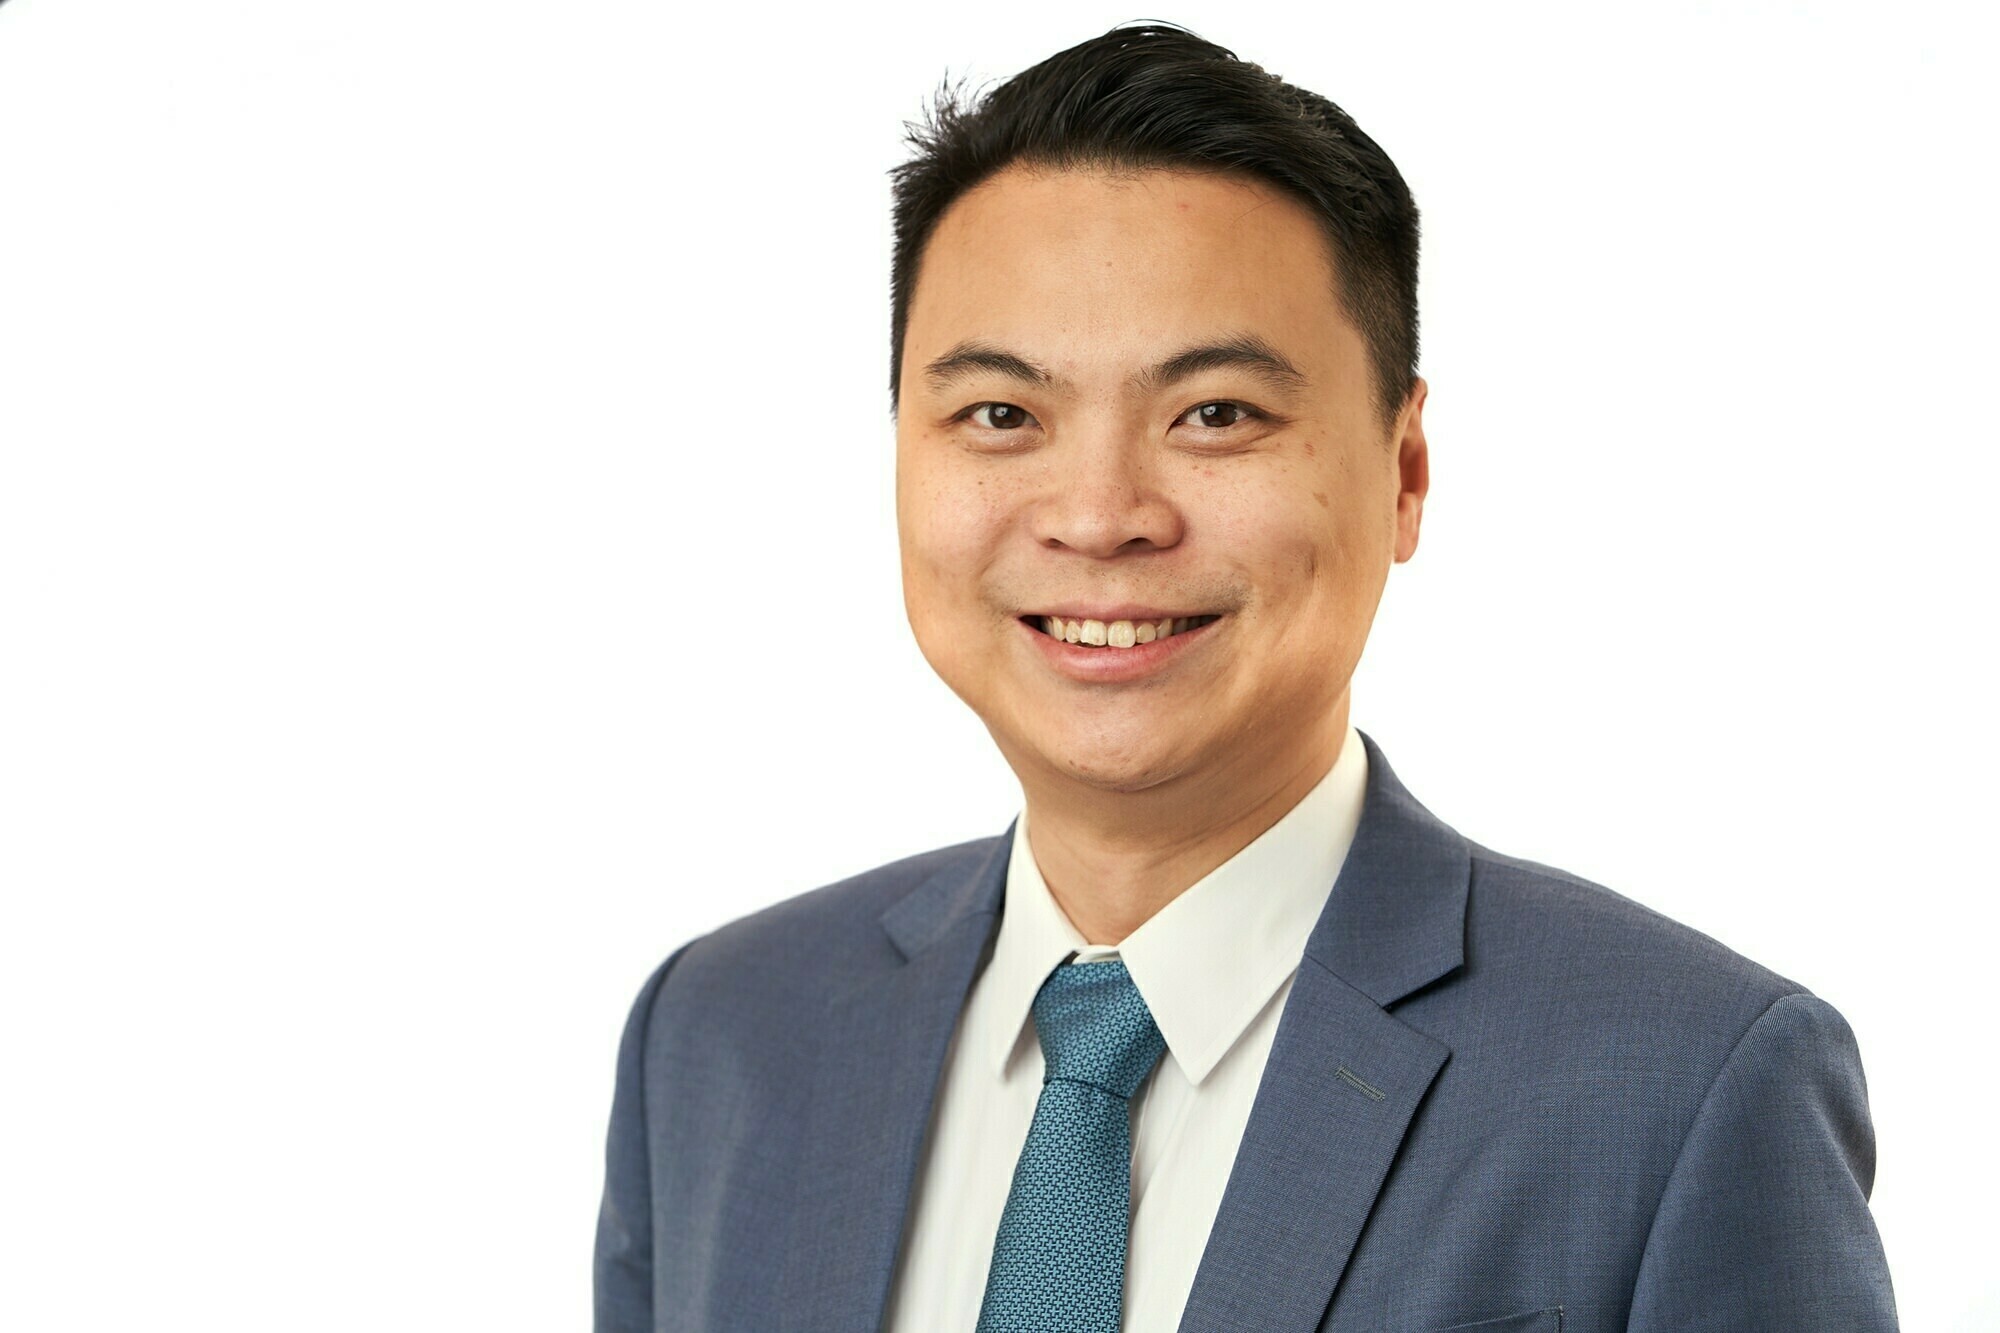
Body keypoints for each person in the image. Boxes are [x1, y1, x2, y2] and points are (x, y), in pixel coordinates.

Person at [593, 23, 1898, 1332]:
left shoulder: (1685, 1089)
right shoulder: (718, 1040)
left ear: (1404, 471)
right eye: (1002, 415)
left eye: (1214, 412)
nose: (1101, 515)